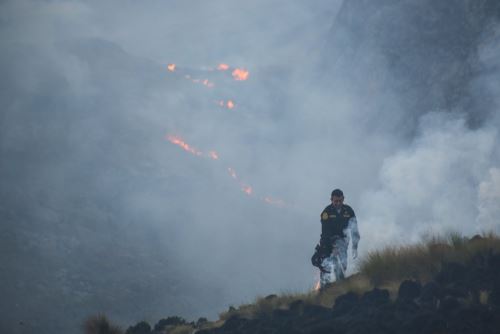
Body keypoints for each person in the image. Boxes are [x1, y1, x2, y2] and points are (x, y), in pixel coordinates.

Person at [312, 189, 360, 287]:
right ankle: (323, 289)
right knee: (326, 267)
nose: (338, 203)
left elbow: (354, 229)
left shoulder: (349, 211)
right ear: (331, 200)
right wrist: (332, 247)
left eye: (340, 201)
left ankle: (340, 286)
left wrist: (355, 246)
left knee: (343, 265)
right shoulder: (326, 213)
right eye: (336, 201)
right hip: (327, 243)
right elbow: (325, 232)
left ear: (343, 199)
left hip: (343, 242)